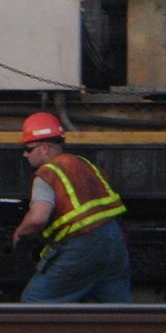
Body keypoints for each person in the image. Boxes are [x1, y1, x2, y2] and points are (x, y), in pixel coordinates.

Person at [11, 111, 132, 303]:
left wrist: (20, 232)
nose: (25, 154)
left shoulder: (47, 173)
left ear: (44, 148)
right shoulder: (84, 163)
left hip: (83, 244)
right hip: (114, 240)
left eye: (28, 148)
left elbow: (38, 218)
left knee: (34, 303)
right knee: (118, 309)